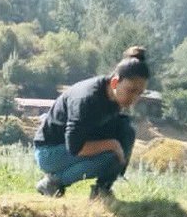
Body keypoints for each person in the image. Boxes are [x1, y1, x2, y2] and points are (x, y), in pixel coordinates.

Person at [32, 45, 151, 201]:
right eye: (131, 91)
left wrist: (119, 149)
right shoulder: (86, 100)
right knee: (110, 155)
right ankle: (53, 183)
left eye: (139, 93)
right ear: (115, 82)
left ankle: (102, 190)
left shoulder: (114, 97)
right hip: (50, 152)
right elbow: (75, 147)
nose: (134, 99)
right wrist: (113, 145)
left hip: (73, 145)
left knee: (126, 131)